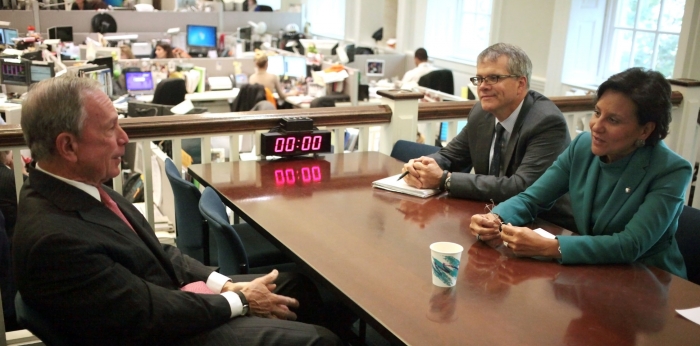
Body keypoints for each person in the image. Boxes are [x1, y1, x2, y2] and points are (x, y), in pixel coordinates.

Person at [13, 77, 341, 345]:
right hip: (161, 333)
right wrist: (241, 300)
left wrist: (225, 285)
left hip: (167, 302)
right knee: (319, 340)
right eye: (111, 129)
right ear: (68, 146)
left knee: (297, 286)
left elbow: (159, 252)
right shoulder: (54, 239)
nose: (124, 139)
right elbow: (149, 312)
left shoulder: (80, 187)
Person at [470, 67, 691, 278]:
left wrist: (552, 247)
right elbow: (532, 198)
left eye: (613, 120)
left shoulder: (671, 170)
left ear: (645, 129)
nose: (596, 125)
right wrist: (495, 218)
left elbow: (631, 244)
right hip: (592, 272)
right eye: (597, 112)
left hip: (649, 280)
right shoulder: (583, 146)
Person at [402, 43, 573, 229]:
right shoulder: (481, 113)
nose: (483, 87)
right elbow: (450, 156)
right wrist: (421, 166)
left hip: (545, 226)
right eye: (479, 79)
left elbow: (522, 187)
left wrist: (445, 180)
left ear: (520, 84)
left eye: (493, 78)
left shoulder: (546, 122)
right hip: (490, 219)